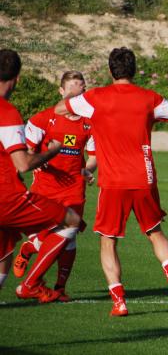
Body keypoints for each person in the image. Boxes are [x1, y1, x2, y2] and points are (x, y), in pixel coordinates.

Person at [55, 47, 168, 316]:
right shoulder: (149, 97)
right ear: (134, 70)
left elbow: (60, 109)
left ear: (110, 70)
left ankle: (119, 301)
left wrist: (78, 102)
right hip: (144, 177)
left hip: (113, 181)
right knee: (155, 231)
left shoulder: (95, 97)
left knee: (108, 240)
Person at [0, 49, 81, 302]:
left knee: (3, 253)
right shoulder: (8, 113)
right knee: (72, 221)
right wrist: (53, 150)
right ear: (17, 79)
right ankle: (30, 285)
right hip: (8, 198)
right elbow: (23, 163)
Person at [12, 71, 97, 302]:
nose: (76, 93)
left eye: (80, 88)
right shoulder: (43, 119)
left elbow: (94, 155)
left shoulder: (90, 123)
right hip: (45, 188)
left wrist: (87, 170)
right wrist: (38, 161)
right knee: (52, 237)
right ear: (61, 92)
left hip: (74, 189)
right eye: (70, 89)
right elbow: (27, 152)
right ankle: (30, 251)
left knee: (70, 234)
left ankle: (59, 288)